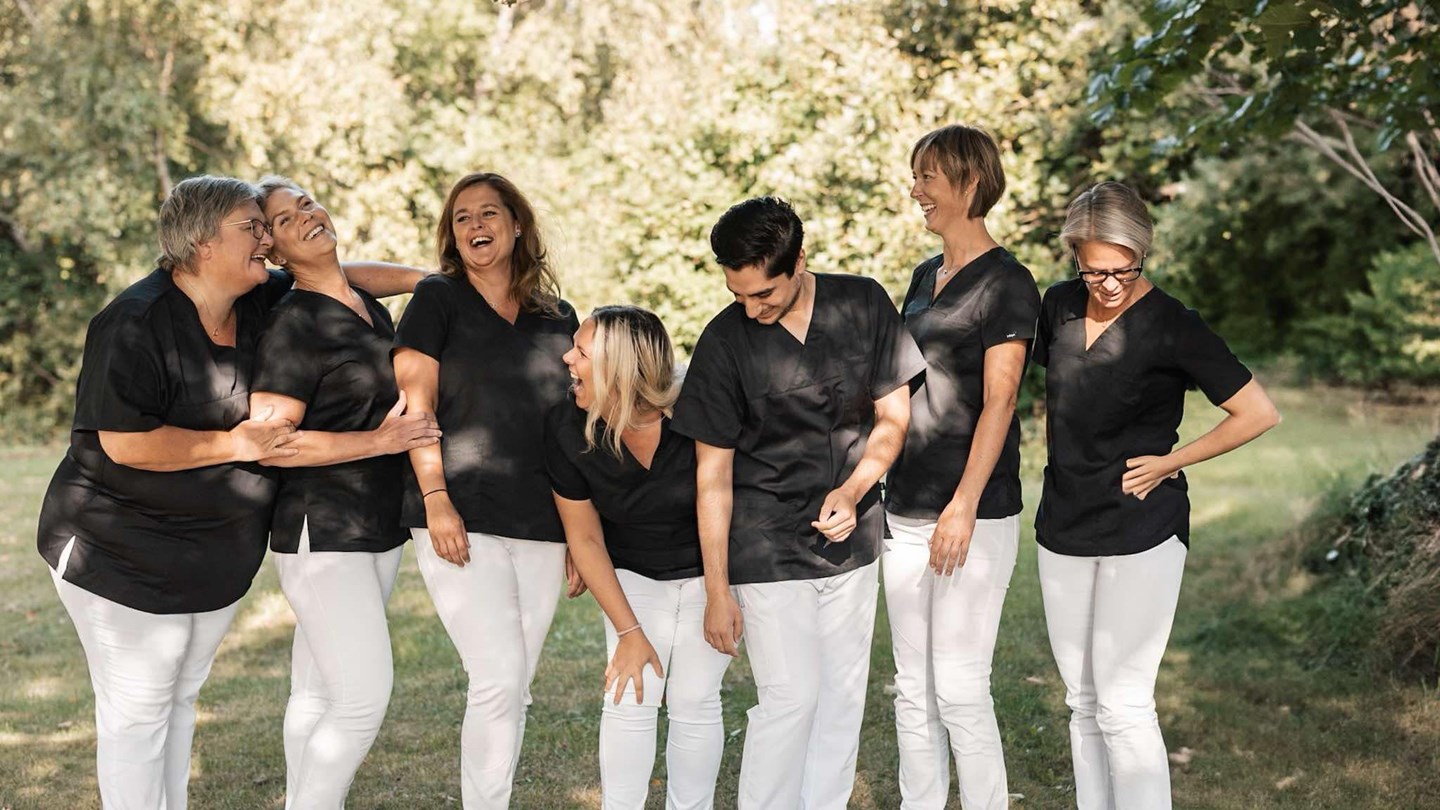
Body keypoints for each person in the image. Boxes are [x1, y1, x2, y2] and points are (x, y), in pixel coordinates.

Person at [34, 175, 424, 810]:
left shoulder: (255, 297)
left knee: (180, 698)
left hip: (211, 553)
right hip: (119, 549)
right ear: (203, 244)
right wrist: (233, 444)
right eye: (253, 227)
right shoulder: (134, 322)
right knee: (138, 711)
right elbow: (124, 443)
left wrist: (430, 282)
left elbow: (342, 280)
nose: (266, 240)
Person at [671, 196, 927, 809]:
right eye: (737, 294)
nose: (750, 308)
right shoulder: (724, 341)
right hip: (763, 541)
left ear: (800, 260)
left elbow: (893, 416)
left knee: (841, 700)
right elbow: (712, 475)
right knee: (791, 698)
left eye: (764, 293)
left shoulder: (862, 302)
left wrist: (854, 490)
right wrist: (716, 590)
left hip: (852, 537)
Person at [1033, 181, 1280, 809]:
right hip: (1063, 521)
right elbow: (1052, 395)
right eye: (1094, 271)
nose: (1110, 284)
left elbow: (1257, 412)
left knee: (1123, 702)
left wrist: (1173, 461)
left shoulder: (1174, 325)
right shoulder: (1058, 305)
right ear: (1074, 257)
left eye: (1125, 269)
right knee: (1082, 701)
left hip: (1142, 527)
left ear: (1143, 252)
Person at [250, 176, 442, 809]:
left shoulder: (360, 300)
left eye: (306, 202)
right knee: (361, 698)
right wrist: (380, 442)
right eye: (284, 219)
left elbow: (358, 277)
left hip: (375, 524)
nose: (306, 216)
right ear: (272, 251)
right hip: (324, 531)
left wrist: (431, 280)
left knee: (316, 692)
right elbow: (271, 443)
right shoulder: (292, 326)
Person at [392, 171, 581, 809]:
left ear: (517, 225)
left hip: (543, 520)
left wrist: (580, 534)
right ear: (452, 234)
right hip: (459, 512)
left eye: (489, 213)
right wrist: (435, 499)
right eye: (462, 216)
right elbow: (415, 408)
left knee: (514, 683)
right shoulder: (436, 299)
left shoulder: (558, 317)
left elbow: (570, 427)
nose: (475, 225)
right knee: (497, 677)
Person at [882, 125, 1041, 809]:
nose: (915, 189)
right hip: (903, 506)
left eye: (928, 176)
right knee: (912, 689)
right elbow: (900, 384)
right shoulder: (925, 275)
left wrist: (963, 506)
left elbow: (1000, 402)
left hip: (971, 512)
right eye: (916, 175)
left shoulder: (1008, 283)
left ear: (970, 182)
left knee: (960, 688)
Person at [544, 305, 733, 810]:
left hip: (710, 567)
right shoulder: (565, 425)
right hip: (631, 569)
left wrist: (719, 595)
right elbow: (585, 539)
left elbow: (717, 497)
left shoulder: (697, 408)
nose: (567, 359)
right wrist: (629, 632)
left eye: (582, 352)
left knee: (695, 701)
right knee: (631, 693)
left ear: (620, 369)